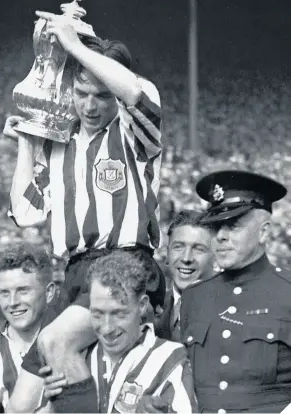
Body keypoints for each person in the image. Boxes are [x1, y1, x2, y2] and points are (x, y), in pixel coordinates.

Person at [4, 10, 166, 412]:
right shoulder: (60, 142)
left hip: (124, 264)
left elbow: (138, 92)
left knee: (57, 342)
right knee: (21, 403)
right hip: (74, 273)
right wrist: (26, 143)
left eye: (101, 95)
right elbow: (27, 213)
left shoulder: (131, 132)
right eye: (81, 93)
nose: (90, 105)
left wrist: (75, 46)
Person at [181, 170, 291, 413]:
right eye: (216, 227)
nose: (221, 236)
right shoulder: (193, 298)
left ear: (263, 232)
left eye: (233, 226)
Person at [40, 250, 198, 413]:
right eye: (97, 314)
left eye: (119, 314)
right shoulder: (78, 358)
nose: (107, 328)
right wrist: (53, 407)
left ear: (142, 305)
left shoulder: (169, 359)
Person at [0, 243, 56, 412]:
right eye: (4, 293)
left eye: (23, 290)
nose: (13, 302)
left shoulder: (74, 340)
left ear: (49, 292)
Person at [155, 210, 216, 341]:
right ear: (167, 255)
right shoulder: (152, 309)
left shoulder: (229, 310)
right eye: (178, 247)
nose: (186, 258)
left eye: (198, 249)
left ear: (216, 257)